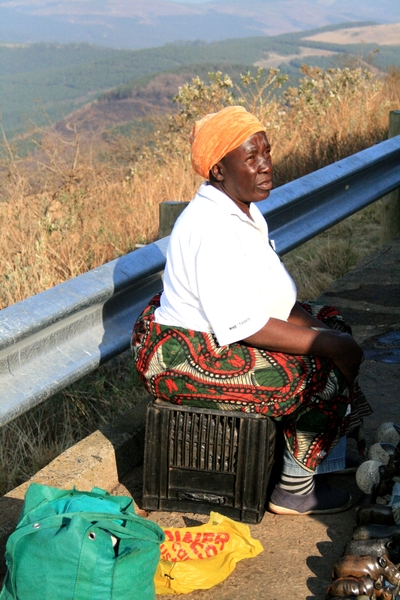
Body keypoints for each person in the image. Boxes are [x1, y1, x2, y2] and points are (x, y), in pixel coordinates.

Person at [132, 105, 372, 516]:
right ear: (219, 171)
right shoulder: (212, 227)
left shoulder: (242, 210)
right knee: (315, 370)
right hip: (186, 356)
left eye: (267, 152)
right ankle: (294, 488)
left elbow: (270, 298)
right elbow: (244, 325)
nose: (265, 166)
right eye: (251, 157)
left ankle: (322, 451)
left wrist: (330, 336)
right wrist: (330, 348)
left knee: (333, 326)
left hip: (225, 333)